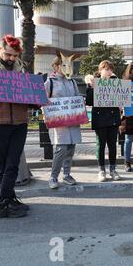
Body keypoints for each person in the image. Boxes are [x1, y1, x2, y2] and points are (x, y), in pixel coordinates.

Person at [0, 35, 30, 218]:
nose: (11, 58)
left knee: (12, 164)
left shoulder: (22, 69)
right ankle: (4, 202)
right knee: (5, 166)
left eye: (14, 55)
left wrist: (41, 99)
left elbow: (29, 97)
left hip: (20, 122)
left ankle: (7, 200)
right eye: (8, 54)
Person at [45, 55, 82, 189]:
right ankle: (53, 177)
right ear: (56, 66)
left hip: (73, 120)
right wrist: (46, 114)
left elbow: (77, 97)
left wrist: (80, 105)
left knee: (71, 148)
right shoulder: (50, 82)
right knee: (61, 149)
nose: (67, 68)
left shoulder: (72, 82)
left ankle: (66, 175)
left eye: (69, 65)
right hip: (59, 122)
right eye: (64, 65)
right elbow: (43, 100)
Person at [85, 61, 122, 182]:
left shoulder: (115, 82)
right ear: (100, 70)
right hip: (100, 118)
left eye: (111, 69)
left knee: (112, 145)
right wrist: (91, 88)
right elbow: (89, 102)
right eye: (106, 69)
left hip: (113, 118)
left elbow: (122, 100)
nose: (109, 71)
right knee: (100, 145)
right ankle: (101, 170)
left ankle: (113, 169)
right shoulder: (93, 83)